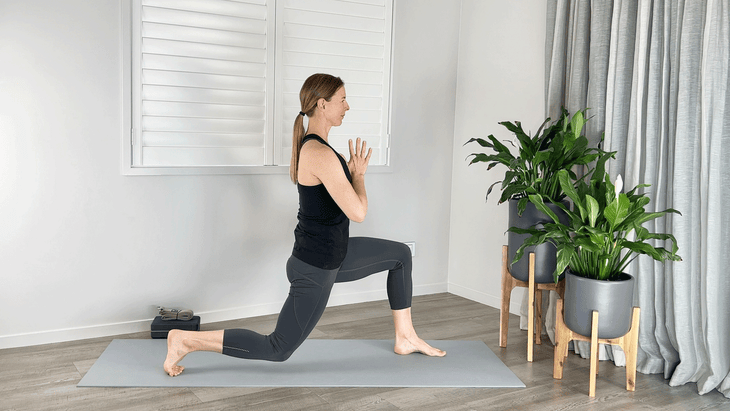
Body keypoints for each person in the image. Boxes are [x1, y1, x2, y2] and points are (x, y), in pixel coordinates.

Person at [163, 73, 445, 377]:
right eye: (342, 100)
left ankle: (405, 337)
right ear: (323, 105)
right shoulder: (319, 153)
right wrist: (359, 176)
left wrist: (350, 175)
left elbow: (334, 203)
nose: (347, 106)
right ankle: (185, 340)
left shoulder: (318, 148)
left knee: (400, 256)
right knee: (278, 348)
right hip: (316, 267)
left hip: (334, 255)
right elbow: (358, 212)